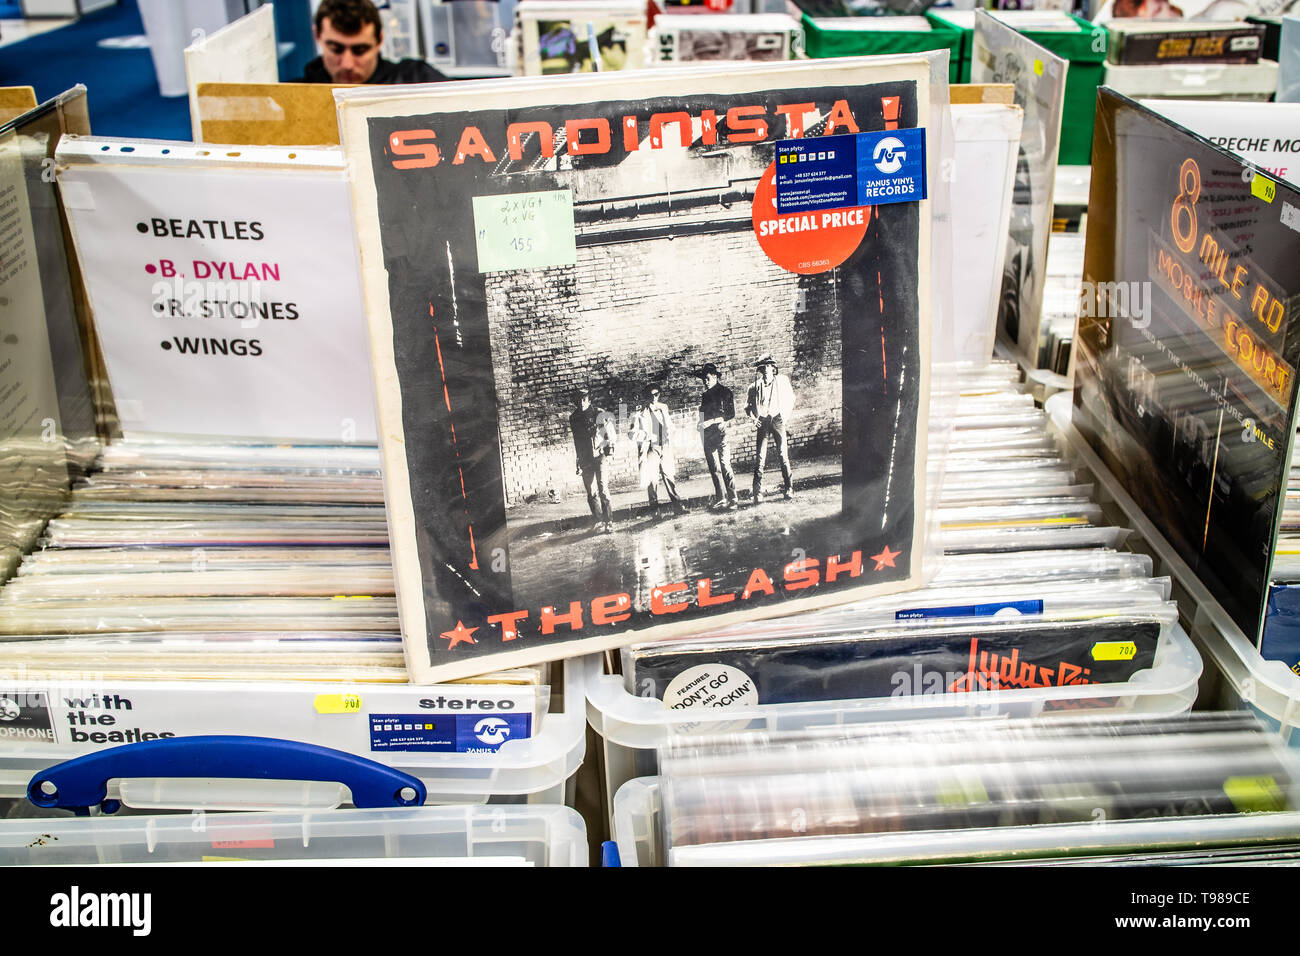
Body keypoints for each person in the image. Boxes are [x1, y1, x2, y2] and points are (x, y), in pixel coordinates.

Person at [298, 0, 448, 84]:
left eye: (360, 50)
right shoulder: (297, 96)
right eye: (336, 49)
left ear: (379, 41)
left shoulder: (416, 79)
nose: (348, 64)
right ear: (317, 35)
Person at [745, 355, 796, 503]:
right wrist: (754, 419)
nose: (766, 369)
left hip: (778, 419)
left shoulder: (782, 381)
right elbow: (747, 407)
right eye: (763, 367)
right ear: (760, 370)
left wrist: (784, 417)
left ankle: (789, 488)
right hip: (763, 421)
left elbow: (791, 399)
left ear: (773, 368)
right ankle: (757, 492)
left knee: (782, 454)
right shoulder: (754, 386)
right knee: (760, 458)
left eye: (769, 366)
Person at [630, 385, 687, 516]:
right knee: (652, 479)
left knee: (669, 476)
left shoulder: (663, 408)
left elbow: (671, 426)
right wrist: (646, 436)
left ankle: (678, 506)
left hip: (665, 447)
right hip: (651, 448)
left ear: (659, 394)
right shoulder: (639, 413)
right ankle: (655, 511)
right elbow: (632, 434)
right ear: (646, 396)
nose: (654, 398)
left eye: (656, 394)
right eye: (651, 395)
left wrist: (669, 436)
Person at [570, 387, 615, 533]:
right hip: (585, 457)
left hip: (599, 454)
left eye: (584, 398)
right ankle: (598, 520)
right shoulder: (574, 418)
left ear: (589, 399)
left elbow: (609, 433)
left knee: (603, 488)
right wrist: (578, 460)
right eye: (578, 399)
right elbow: (577, 440)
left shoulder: (599, 413)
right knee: (591, 491)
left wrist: (610, 450)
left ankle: (609, 521)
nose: (581, 402)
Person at [696, 363, 737, 510]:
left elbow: (730, 413)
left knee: (725, 466)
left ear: (714, 376)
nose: (705, 382)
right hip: (708, 435)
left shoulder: (725, 392)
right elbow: (702, 413)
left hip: (720, 433)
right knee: (714, 468)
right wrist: (700, 424)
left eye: (707, 378)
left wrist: (713, 421)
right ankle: (721, 498)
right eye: (703, 380)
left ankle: (733, 499)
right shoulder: (705, 395)